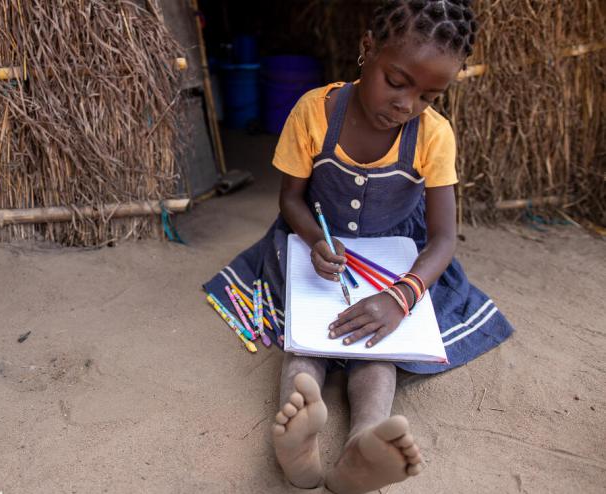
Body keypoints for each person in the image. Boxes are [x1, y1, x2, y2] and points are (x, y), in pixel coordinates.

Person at [203, 0, 514, 492]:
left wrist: (400, 296)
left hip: (397, 258)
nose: (407, 104)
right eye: (397, 81)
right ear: (367, 49)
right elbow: (291, 200)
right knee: (304, 333)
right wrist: (311, 239)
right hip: (315, 246)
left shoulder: (434, 136)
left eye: (429, 96)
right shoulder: (314, 112)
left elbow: (443, 237)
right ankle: (297, 440)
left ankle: (366, 439)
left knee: (378, 342)